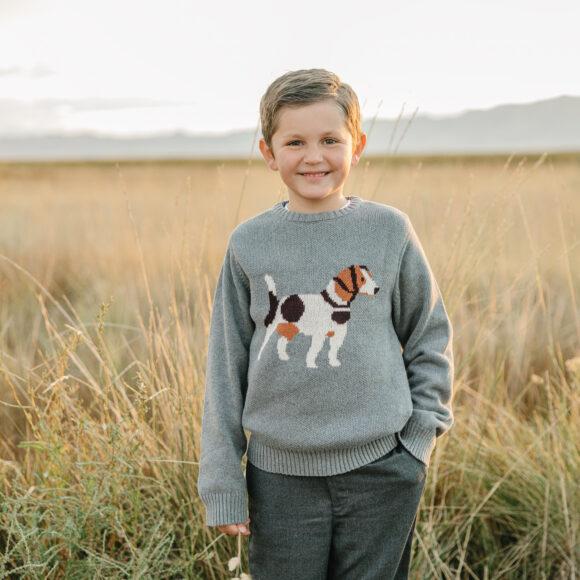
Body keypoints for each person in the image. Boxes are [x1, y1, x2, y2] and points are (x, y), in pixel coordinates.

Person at [197, 68, 453, 579]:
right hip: (278, 480)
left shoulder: (388, 230)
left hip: (384, 470)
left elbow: (429, 336)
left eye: (330, 140)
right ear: (269, 152)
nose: (314, 156)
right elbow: (227, 368)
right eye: (295, 141)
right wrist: (224, 483)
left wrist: (419, 440)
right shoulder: (249, 243)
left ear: (356, 146)